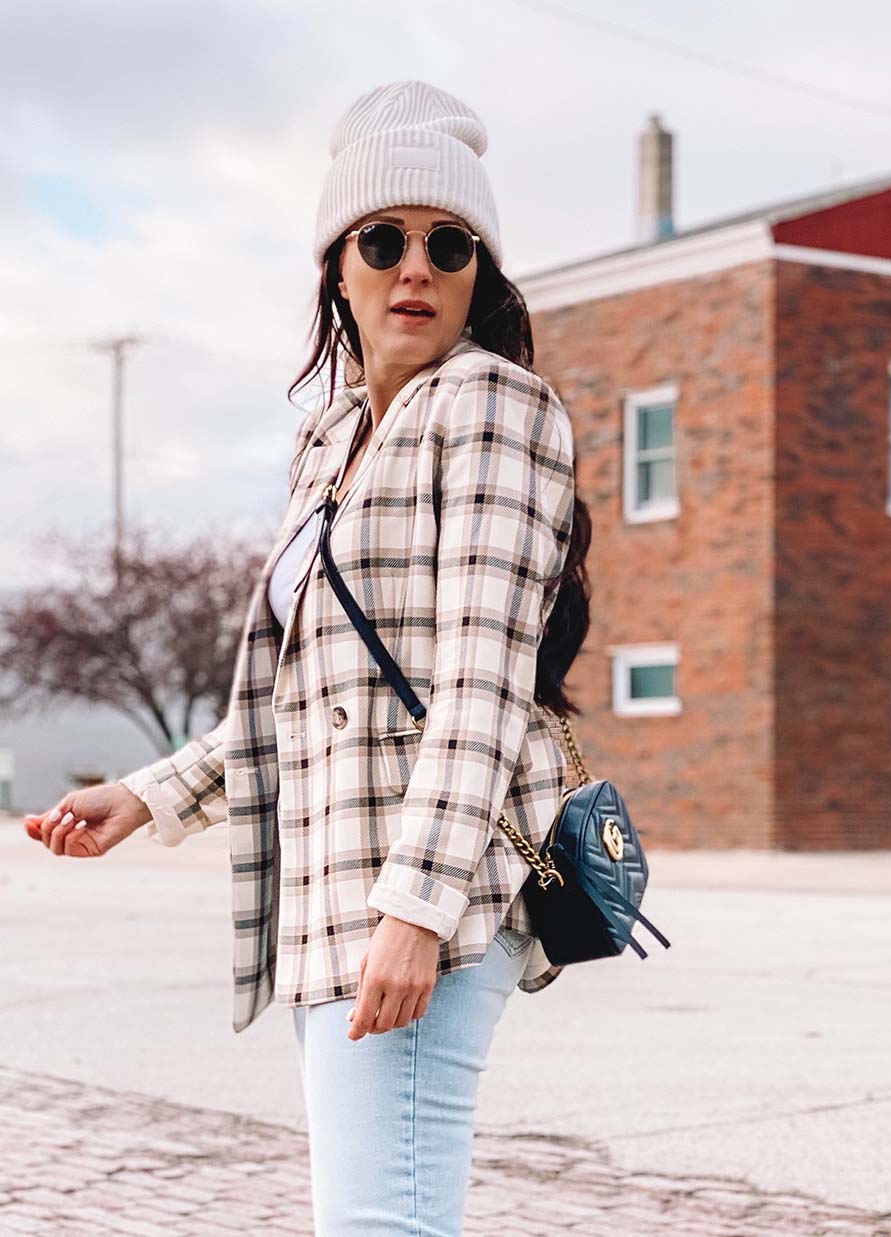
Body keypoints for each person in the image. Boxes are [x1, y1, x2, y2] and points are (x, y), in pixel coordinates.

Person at [23, 79, 592, 1236]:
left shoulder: (492, 405)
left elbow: (481, 683)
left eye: (449, 244)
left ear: (480, 273)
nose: (415, 267)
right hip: (330, 896)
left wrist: (417, 908)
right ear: (338, 266)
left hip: (424, 897)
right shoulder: (330, 439)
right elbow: (303, 694)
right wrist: (150, 794)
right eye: (383, 240)